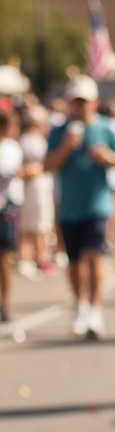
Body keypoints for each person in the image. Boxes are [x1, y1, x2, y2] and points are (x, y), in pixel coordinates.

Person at [44, 76, 115, 338]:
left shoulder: (106, 128)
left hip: (98, 204)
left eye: (84, 102)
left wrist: (109, 158)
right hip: (69, 206)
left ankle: (95, 309)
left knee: (93, 256)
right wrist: (65, 147)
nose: (79, 107)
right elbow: (48, 166)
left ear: (94, 102)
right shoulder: (60, 131)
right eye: (75, 102)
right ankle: (80, 306)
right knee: (74, 262)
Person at [17, 105, 55, 279]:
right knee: (35, 226)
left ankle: (37, 259)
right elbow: (31, 168)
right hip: (34, 188)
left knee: (37, 225)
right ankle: (32, 259)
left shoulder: (28, 140)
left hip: (36, 187)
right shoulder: (31, 141)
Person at [0, 108, 24, 323]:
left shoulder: (11, 147)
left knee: (5, 257)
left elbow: (12, 171)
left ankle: (5, 304)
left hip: (6, 208)